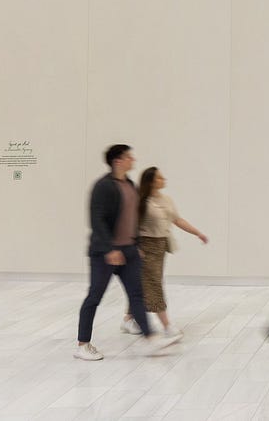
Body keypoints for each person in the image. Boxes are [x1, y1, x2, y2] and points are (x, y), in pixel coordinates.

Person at [75, 144, 181, 360]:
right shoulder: (103, 187)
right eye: (128, 156)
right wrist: (110, 249)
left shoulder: (130, 185)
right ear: (117, 161)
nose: (132, 159)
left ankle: (150, 338)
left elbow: (132, 219)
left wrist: (135, 245)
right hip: (105, 254)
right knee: (94, 296)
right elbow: (97, 220)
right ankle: (82, 344)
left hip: (129, 251)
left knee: (137, 295)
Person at [118, 166, 208, 338]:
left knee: (144, 284)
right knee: (154, 284)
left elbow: (177, 219)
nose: (163, 180)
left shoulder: (166, 199)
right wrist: (135, 247)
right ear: (151, 182)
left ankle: (128, 319)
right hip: (145, 247)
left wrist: (197, 233)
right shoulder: (140, 201)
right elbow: (131, 225)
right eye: (159, 178)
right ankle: (166, 325)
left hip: (161, 247)